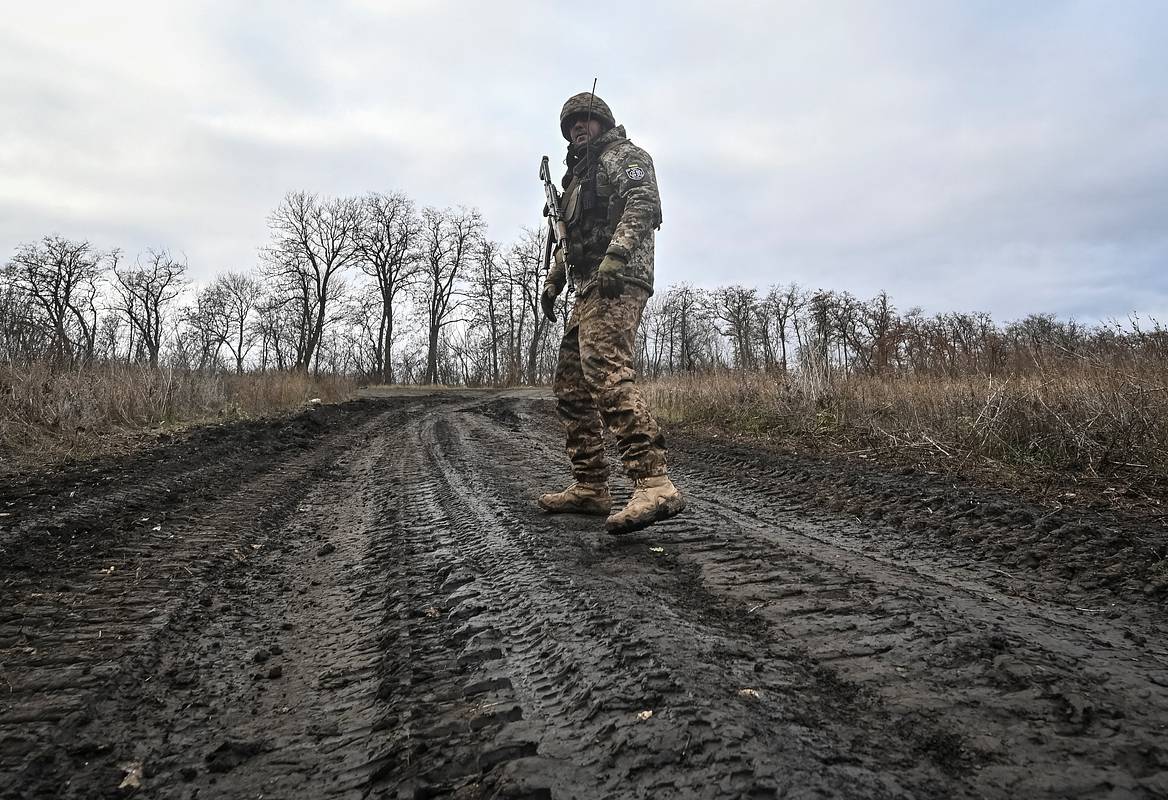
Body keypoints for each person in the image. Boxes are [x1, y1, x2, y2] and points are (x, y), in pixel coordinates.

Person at [538, 91, 685, 535]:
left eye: (584, 121)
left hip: (619, 280)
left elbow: (643, 202)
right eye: (571, 126)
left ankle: (653, 481)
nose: (577, 129)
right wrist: (553, 281)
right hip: (586, 288)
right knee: (570, 385)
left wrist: (617, 255)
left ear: (602, 122)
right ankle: (590, 485)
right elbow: (570, 241)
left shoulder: (623, 155)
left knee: (605, 368)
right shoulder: (574, 182)